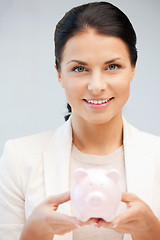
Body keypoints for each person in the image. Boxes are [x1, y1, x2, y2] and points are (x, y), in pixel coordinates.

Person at [0, 1, 160, 240]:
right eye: (79, 69)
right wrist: (32, 233)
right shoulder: (19, 158)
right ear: (58, 73)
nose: (96, 86)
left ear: (133, 69)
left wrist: (152, 233)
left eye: (113, 66)